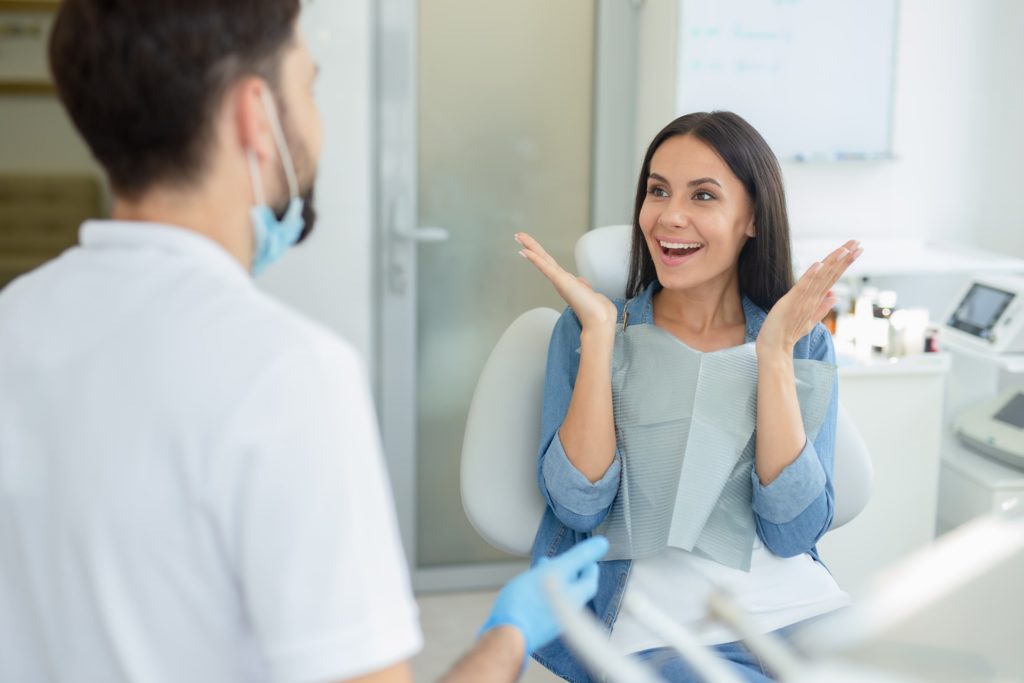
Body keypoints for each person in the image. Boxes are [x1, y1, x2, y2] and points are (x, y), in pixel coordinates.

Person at [0, 2, 607, 682]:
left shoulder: (14, 321)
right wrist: (508, 637)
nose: (317, 123)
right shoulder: (284, 373)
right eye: (309, 86)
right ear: (256, 115)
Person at [517, 111, 863, 682]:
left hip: (798, 614)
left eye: (703, 195)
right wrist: (602, 338)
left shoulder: (802, 342)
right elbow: (578, 505)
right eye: (657, 191)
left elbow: (792, 532)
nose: (669, 216)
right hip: (658, 630)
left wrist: (774, 355)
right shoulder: (590, 330)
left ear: (752, 217)